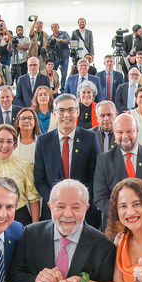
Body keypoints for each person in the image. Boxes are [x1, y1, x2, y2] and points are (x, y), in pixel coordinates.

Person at [33, 94, 99, 223]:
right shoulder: (43, 141)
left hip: (83, 210)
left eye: (71, 110)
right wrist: (55, 201)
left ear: (78, 112)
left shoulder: (90, 138)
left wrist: (81, 200)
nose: (66, 115)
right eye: (61, 111)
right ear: (54, 113)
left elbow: (95, 176)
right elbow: (39, 179)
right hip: (53, 210)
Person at [93, 113, 142, 224]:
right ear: (114, 133)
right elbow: (100, 198)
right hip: (116, 225)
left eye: (129, 131)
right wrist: (124, 214)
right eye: (120, 132)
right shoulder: (104, 160)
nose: (125, 136)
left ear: (137, 131)